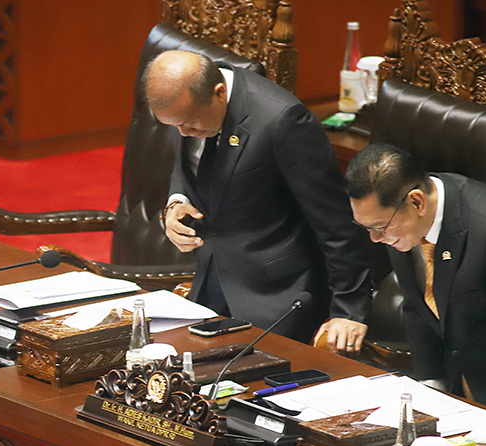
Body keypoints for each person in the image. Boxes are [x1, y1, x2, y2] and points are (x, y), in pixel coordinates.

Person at [144, 50, 372, 350]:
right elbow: (187, 164)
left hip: (278, 298)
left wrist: (349, 311)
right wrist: (176, 201)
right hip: (211, 281)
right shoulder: (186, 108)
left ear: (219, 93)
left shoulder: (283, 120)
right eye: (175, 126)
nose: (184, 133)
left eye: (191, 124)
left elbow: (337, 222)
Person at [346, 142, 486, 431]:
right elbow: (418, 303)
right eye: (365, 227)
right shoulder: (401, 223)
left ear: (417, 202)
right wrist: (431, 386)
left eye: (379, 228)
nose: (374, 239)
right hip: (461, 402)